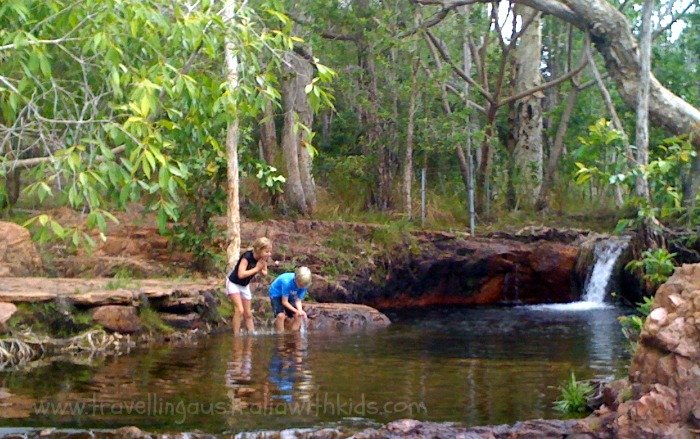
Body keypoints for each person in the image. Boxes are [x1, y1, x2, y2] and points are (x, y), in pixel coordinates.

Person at [226, 237, 272, 335]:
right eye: (267, 251)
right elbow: (241, 274)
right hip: (234, 283)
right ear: (259, 250)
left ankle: (252, 334)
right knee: (239, 309)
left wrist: (261, 268)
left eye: (269, 252)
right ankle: (236, 335)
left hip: (244, 286)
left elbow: (264, 273)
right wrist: (256, 269)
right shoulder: (247, 257)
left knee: (248, 313)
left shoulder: (263, 259)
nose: (269, 254)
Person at [269, 266, 312, 332]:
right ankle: (281, 337)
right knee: (281, 316)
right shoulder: (287, 282)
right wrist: (296, 310)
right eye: (300, 285)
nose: (301, 287)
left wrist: (300, 311)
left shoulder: (304, 285)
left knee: (298, 315)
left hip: (290, 294)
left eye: (302, 286)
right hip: (276, 294)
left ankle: (293, 335)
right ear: (296, 279)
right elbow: (284, 302)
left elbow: (298, 300)